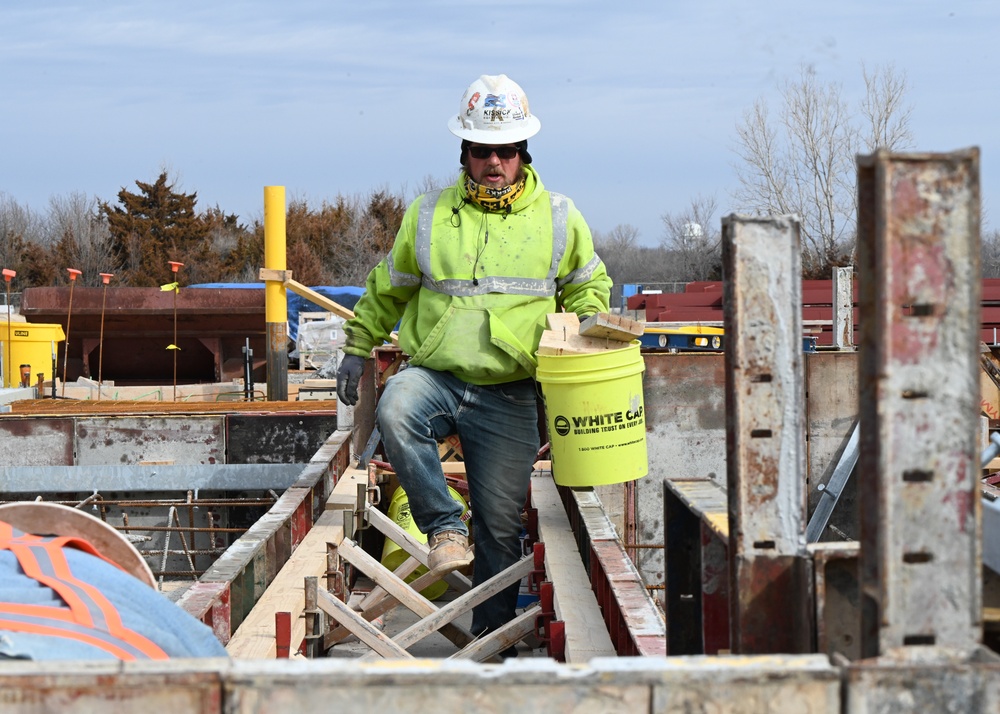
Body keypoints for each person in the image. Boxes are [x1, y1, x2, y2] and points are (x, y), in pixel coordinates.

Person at [337, 74, 611, 642]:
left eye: (505, 151)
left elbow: (589, 288)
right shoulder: (430, 215)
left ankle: (493, 637)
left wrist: (586, 336)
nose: (494, 162)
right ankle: (442, 528)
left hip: (508, 390)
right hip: (435, 374)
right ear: (464, 152)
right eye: (483, 150)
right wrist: (358, 345)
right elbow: (387, 288)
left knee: (499, 524)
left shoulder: (558, 217)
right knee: (397, 407)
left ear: (522, 154)